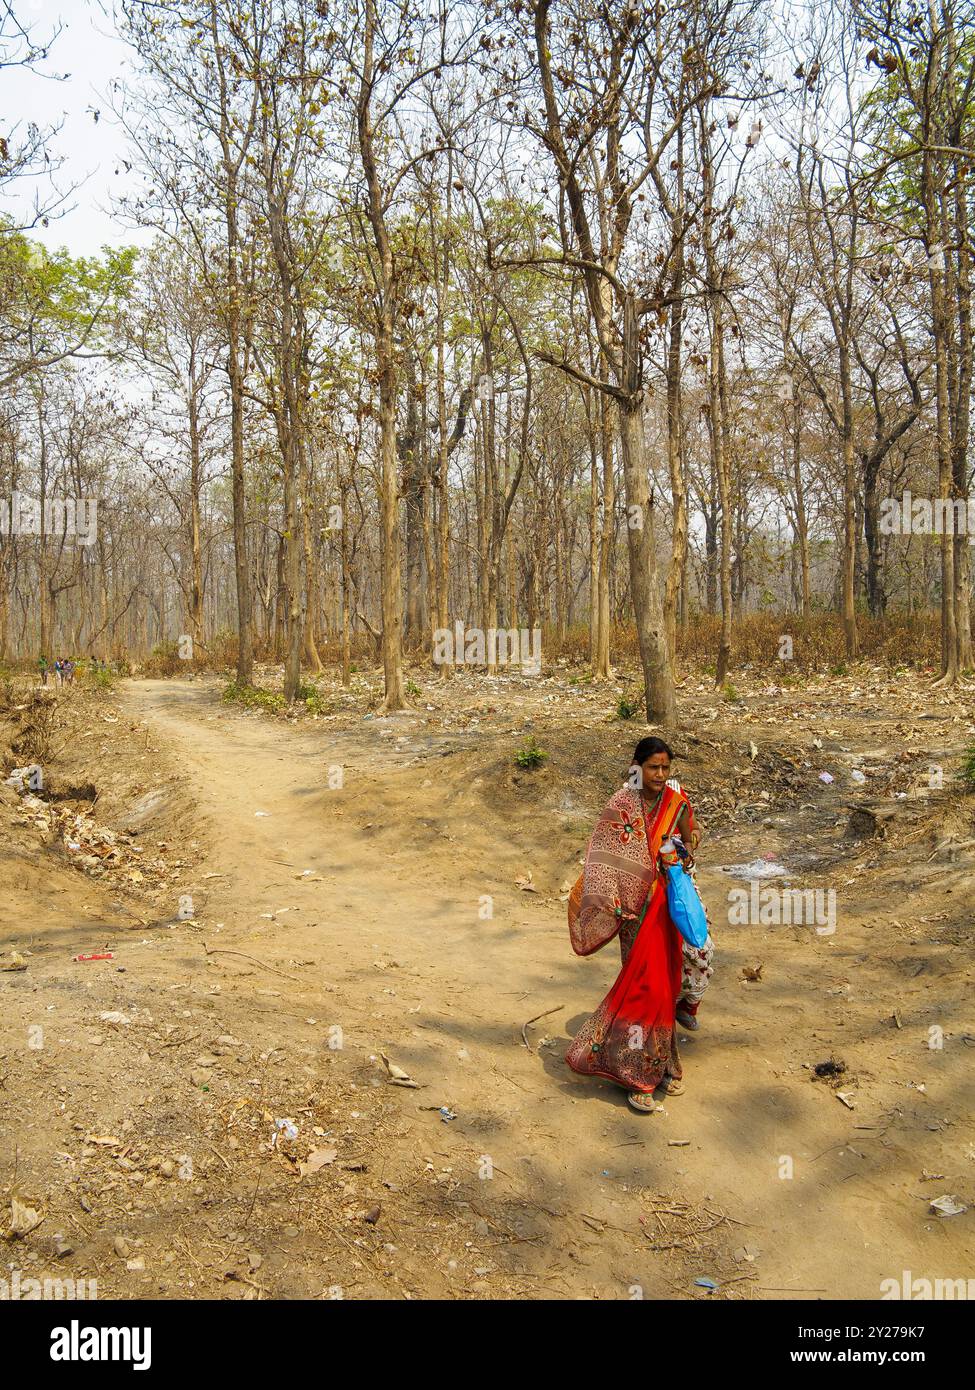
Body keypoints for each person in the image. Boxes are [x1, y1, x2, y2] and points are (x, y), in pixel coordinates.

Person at [565, 736, 711, 1113]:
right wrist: (618, 898)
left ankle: (658, 1064)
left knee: (664, 985)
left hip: (666, 909)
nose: (660, 775)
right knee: (643, 985)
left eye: (665, 768)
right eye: (653, 767)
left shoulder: (676, 802)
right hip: (633, 913)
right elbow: (602, 858)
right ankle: (636, 1071)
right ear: (637, 766)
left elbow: (692, 837)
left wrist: (682, 849)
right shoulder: (621, 803)